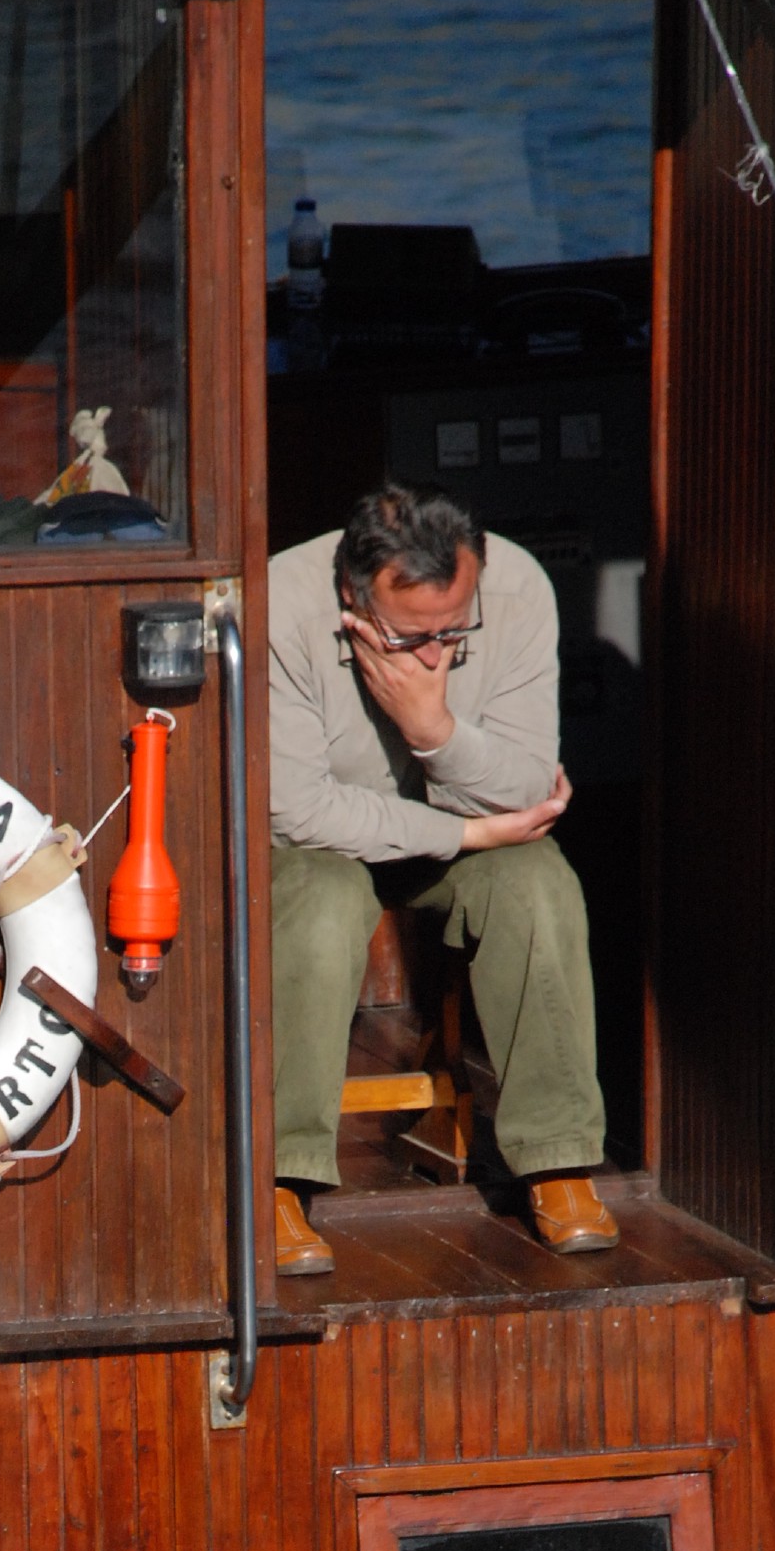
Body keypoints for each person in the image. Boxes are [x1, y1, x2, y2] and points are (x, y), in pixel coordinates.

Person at [269, 481, 618, 1271]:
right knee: (322, 902)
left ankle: (557, 1160)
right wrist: (466, 829)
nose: (435, 656)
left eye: (454, 632)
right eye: (411, 637)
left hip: (463, 840)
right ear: (353, 596)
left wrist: (435, 731)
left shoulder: (516, 589)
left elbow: (528, 785)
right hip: (321, 847)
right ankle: (281, 1176)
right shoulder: (283, 605)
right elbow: (297, 811)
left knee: (537, 885)